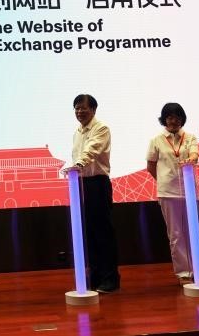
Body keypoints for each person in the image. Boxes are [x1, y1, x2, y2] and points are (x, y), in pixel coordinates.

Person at [146, 103, 199, 286]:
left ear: (182, 118)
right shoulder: (156, 140)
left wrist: (191, 159)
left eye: (177, 117)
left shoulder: (190, 137)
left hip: (189, 191)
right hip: (168, 192)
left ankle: (196, 268)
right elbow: (150, 166)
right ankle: (184, 273)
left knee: (192, 231)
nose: (173, 121)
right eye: (169, 117)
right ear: (164, 119)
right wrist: (163, 180)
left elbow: (194, 155)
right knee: (176, 234)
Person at [72, 94, 120, 293]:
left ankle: (110, 279)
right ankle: (96, 277)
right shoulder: (77, 132)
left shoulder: (101, 128)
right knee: (88, 233)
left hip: (98, 184)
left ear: (93, 109)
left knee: (103, 233)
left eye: (83, 108)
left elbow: (92, 150)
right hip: (81, 184)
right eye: (76, 108)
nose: (79, 111)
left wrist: (78, 164)